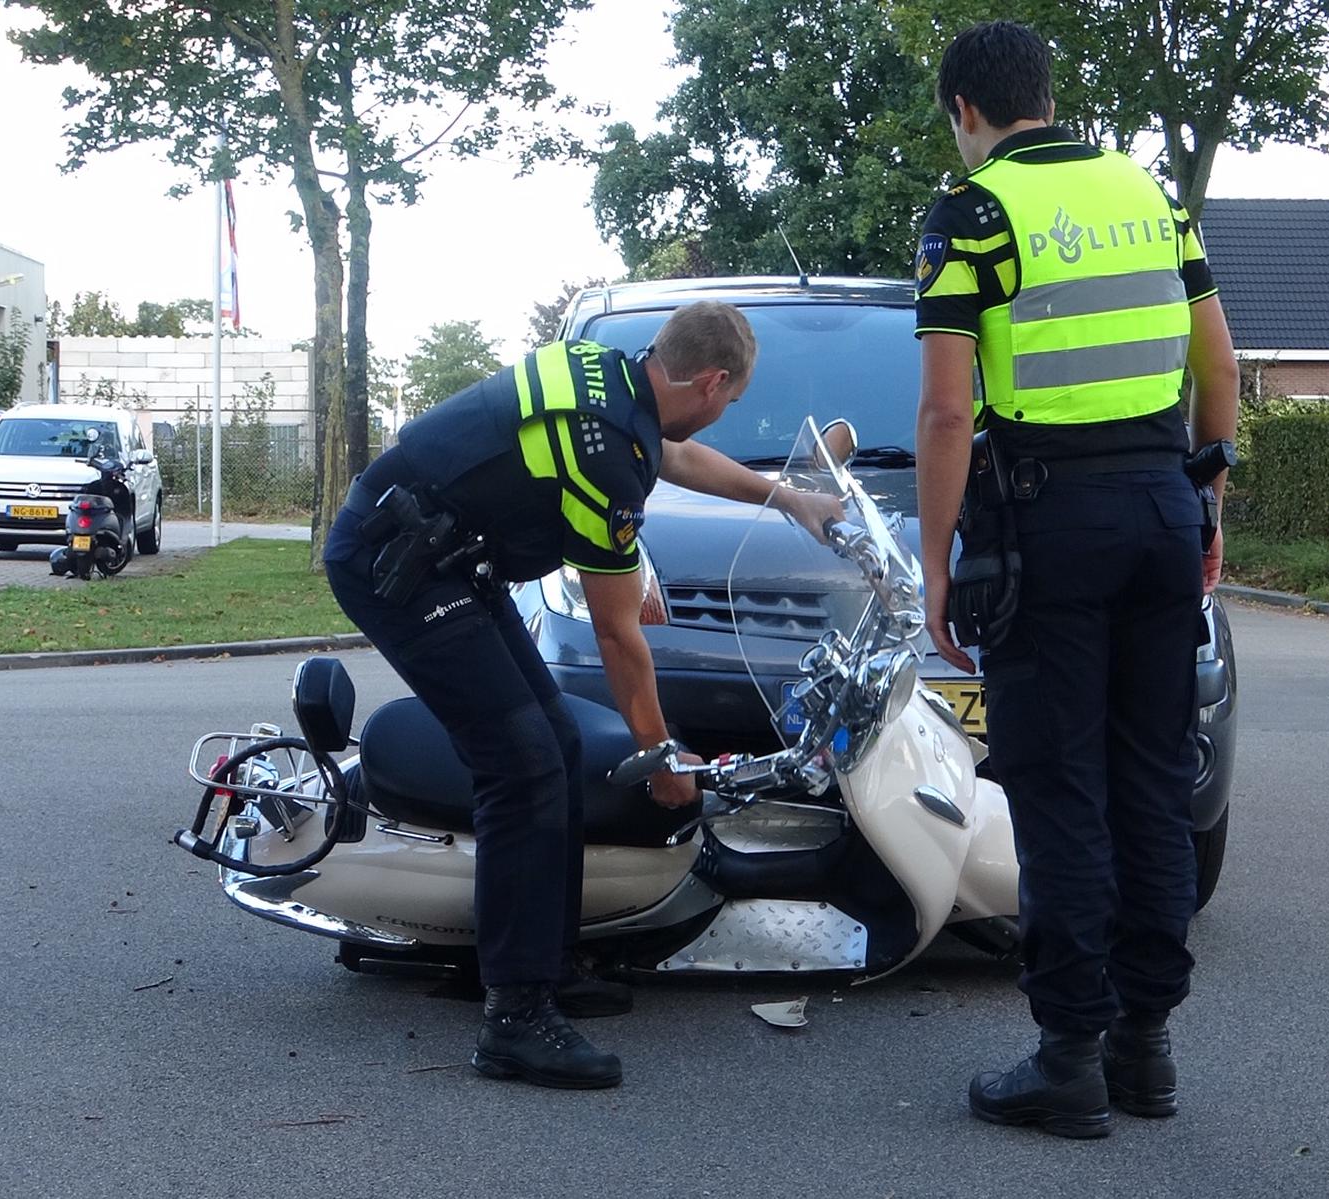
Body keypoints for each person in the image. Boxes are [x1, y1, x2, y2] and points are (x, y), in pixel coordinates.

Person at [323, 301, 840, 1091]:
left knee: (556, 745)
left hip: (449, 556)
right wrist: (660, 753)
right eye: (728, 402)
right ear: (710, 381)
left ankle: (537, 962)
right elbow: (618, 637)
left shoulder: (619, 382)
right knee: (521, 763)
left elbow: (673, 457)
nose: (719, 415)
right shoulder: (607, 447)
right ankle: (514, 1018)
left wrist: (786, 498)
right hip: (395, 565)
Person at [912, 21, 1239, 1138]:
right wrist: (1207, 503)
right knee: (1151, 782)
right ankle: (1147, 1048)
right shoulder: (1152, 195)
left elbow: (950, 409)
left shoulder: (973, 215)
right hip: (1159, 504)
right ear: (1044, 93)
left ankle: (1069, 1055)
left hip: (1052, 526)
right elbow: (1220, 364)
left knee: (1058, 791)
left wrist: (935, 561)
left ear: (966, 109)